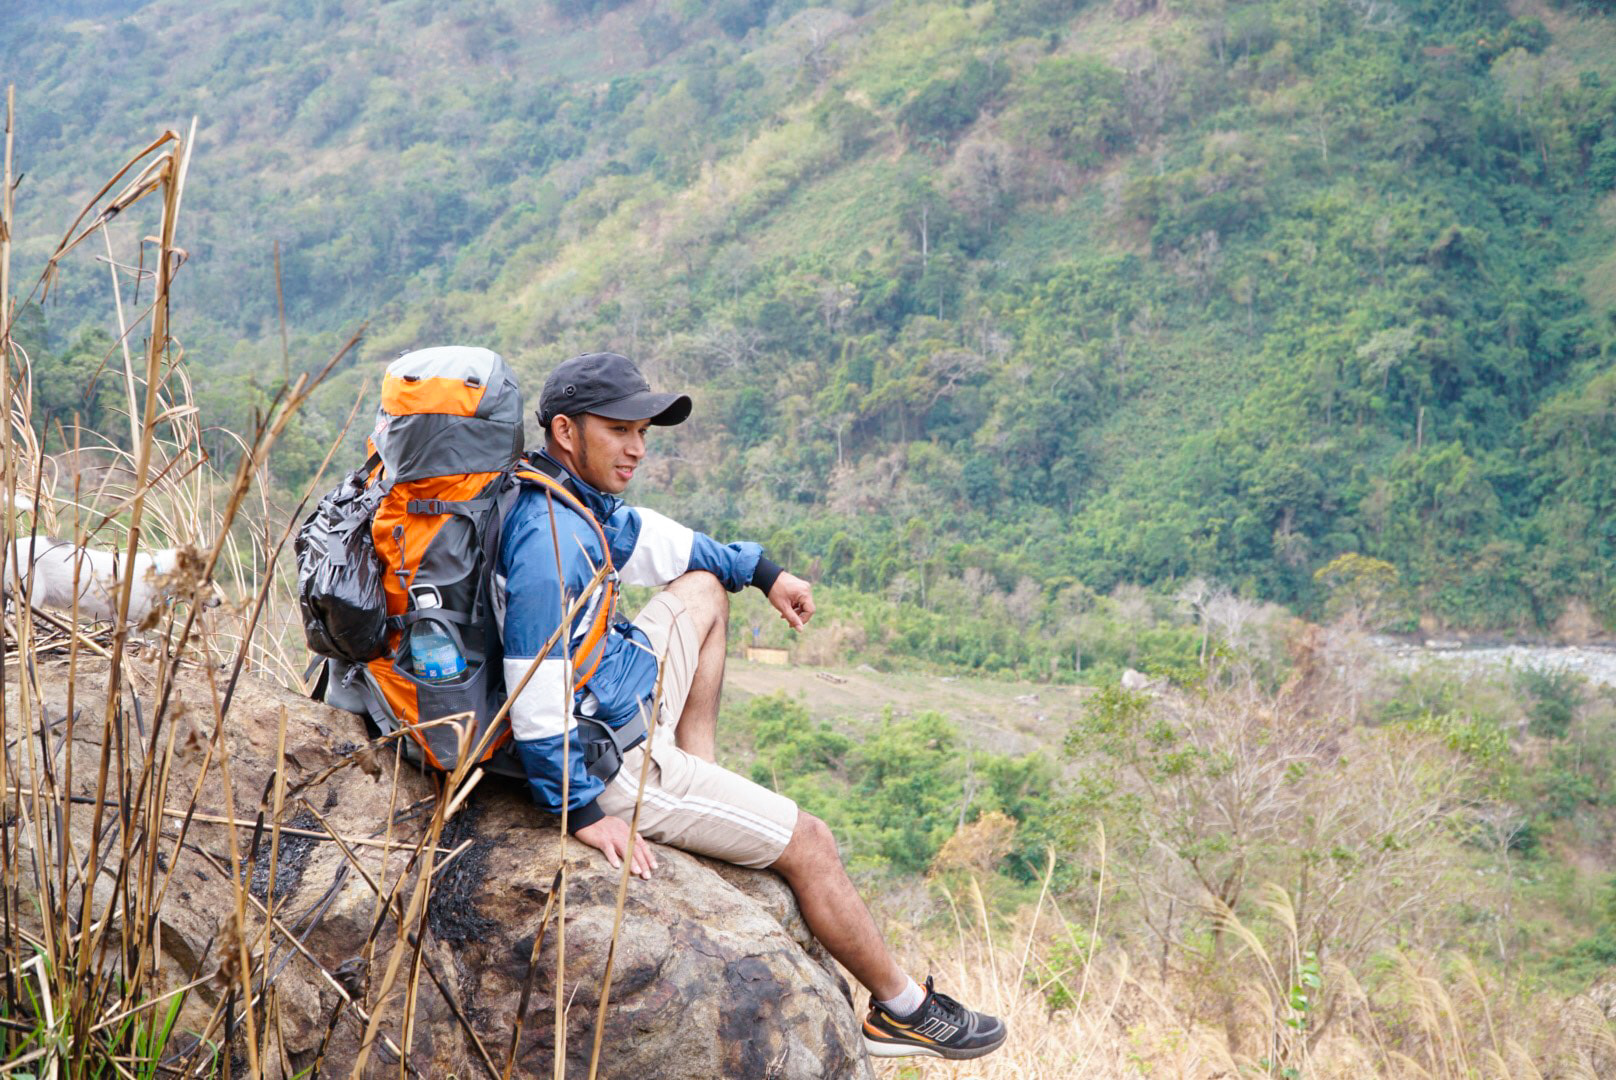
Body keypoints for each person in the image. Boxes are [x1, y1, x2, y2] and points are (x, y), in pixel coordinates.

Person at [499, 352, 1007, 1061]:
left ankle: (699, 775)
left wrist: (762, 572)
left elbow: (669, 545)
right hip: (608, 761)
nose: (638, 447)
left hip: (620, 695)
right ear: (564, 429)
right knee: (812, 844)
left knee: (705, 585)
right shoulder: (549, 542)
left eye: (642, 430)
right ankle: (902, 1011)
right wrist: (582, 811)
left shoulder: (566, 501)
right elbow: (534, 695)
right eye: (619, 430)